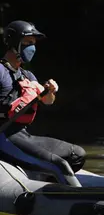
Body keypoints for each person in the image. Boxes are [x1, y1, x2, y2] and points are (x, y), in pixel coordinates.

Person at [0, 20, 86, 186]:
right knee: (59, 165)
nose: (32, 48)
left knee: (78, 154)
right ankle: (77, 200)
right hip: (4, 137)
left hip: (23, 134)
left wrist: (51, 90)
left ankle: (43, 184)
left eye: (34, 44)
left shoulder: (27, 75)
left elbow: (47, 101)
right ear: (13, 43)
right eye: (28, 43)